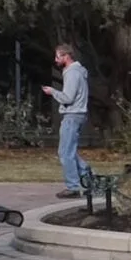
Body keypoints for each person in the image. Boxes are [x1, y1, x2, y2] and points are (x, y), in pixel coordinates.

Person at [45, 44, 90, 197]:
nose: (56, 60)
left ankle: (73, 187)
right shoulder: (78, 72)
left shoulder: (72, 73)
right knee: (69, 151)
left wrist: (53, 92)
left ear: (66, 56)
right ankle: (90, 181)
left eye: (58, 56)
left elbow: (68, 97)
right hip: (78, 114)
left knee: (65, 152)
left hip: (72, 115)